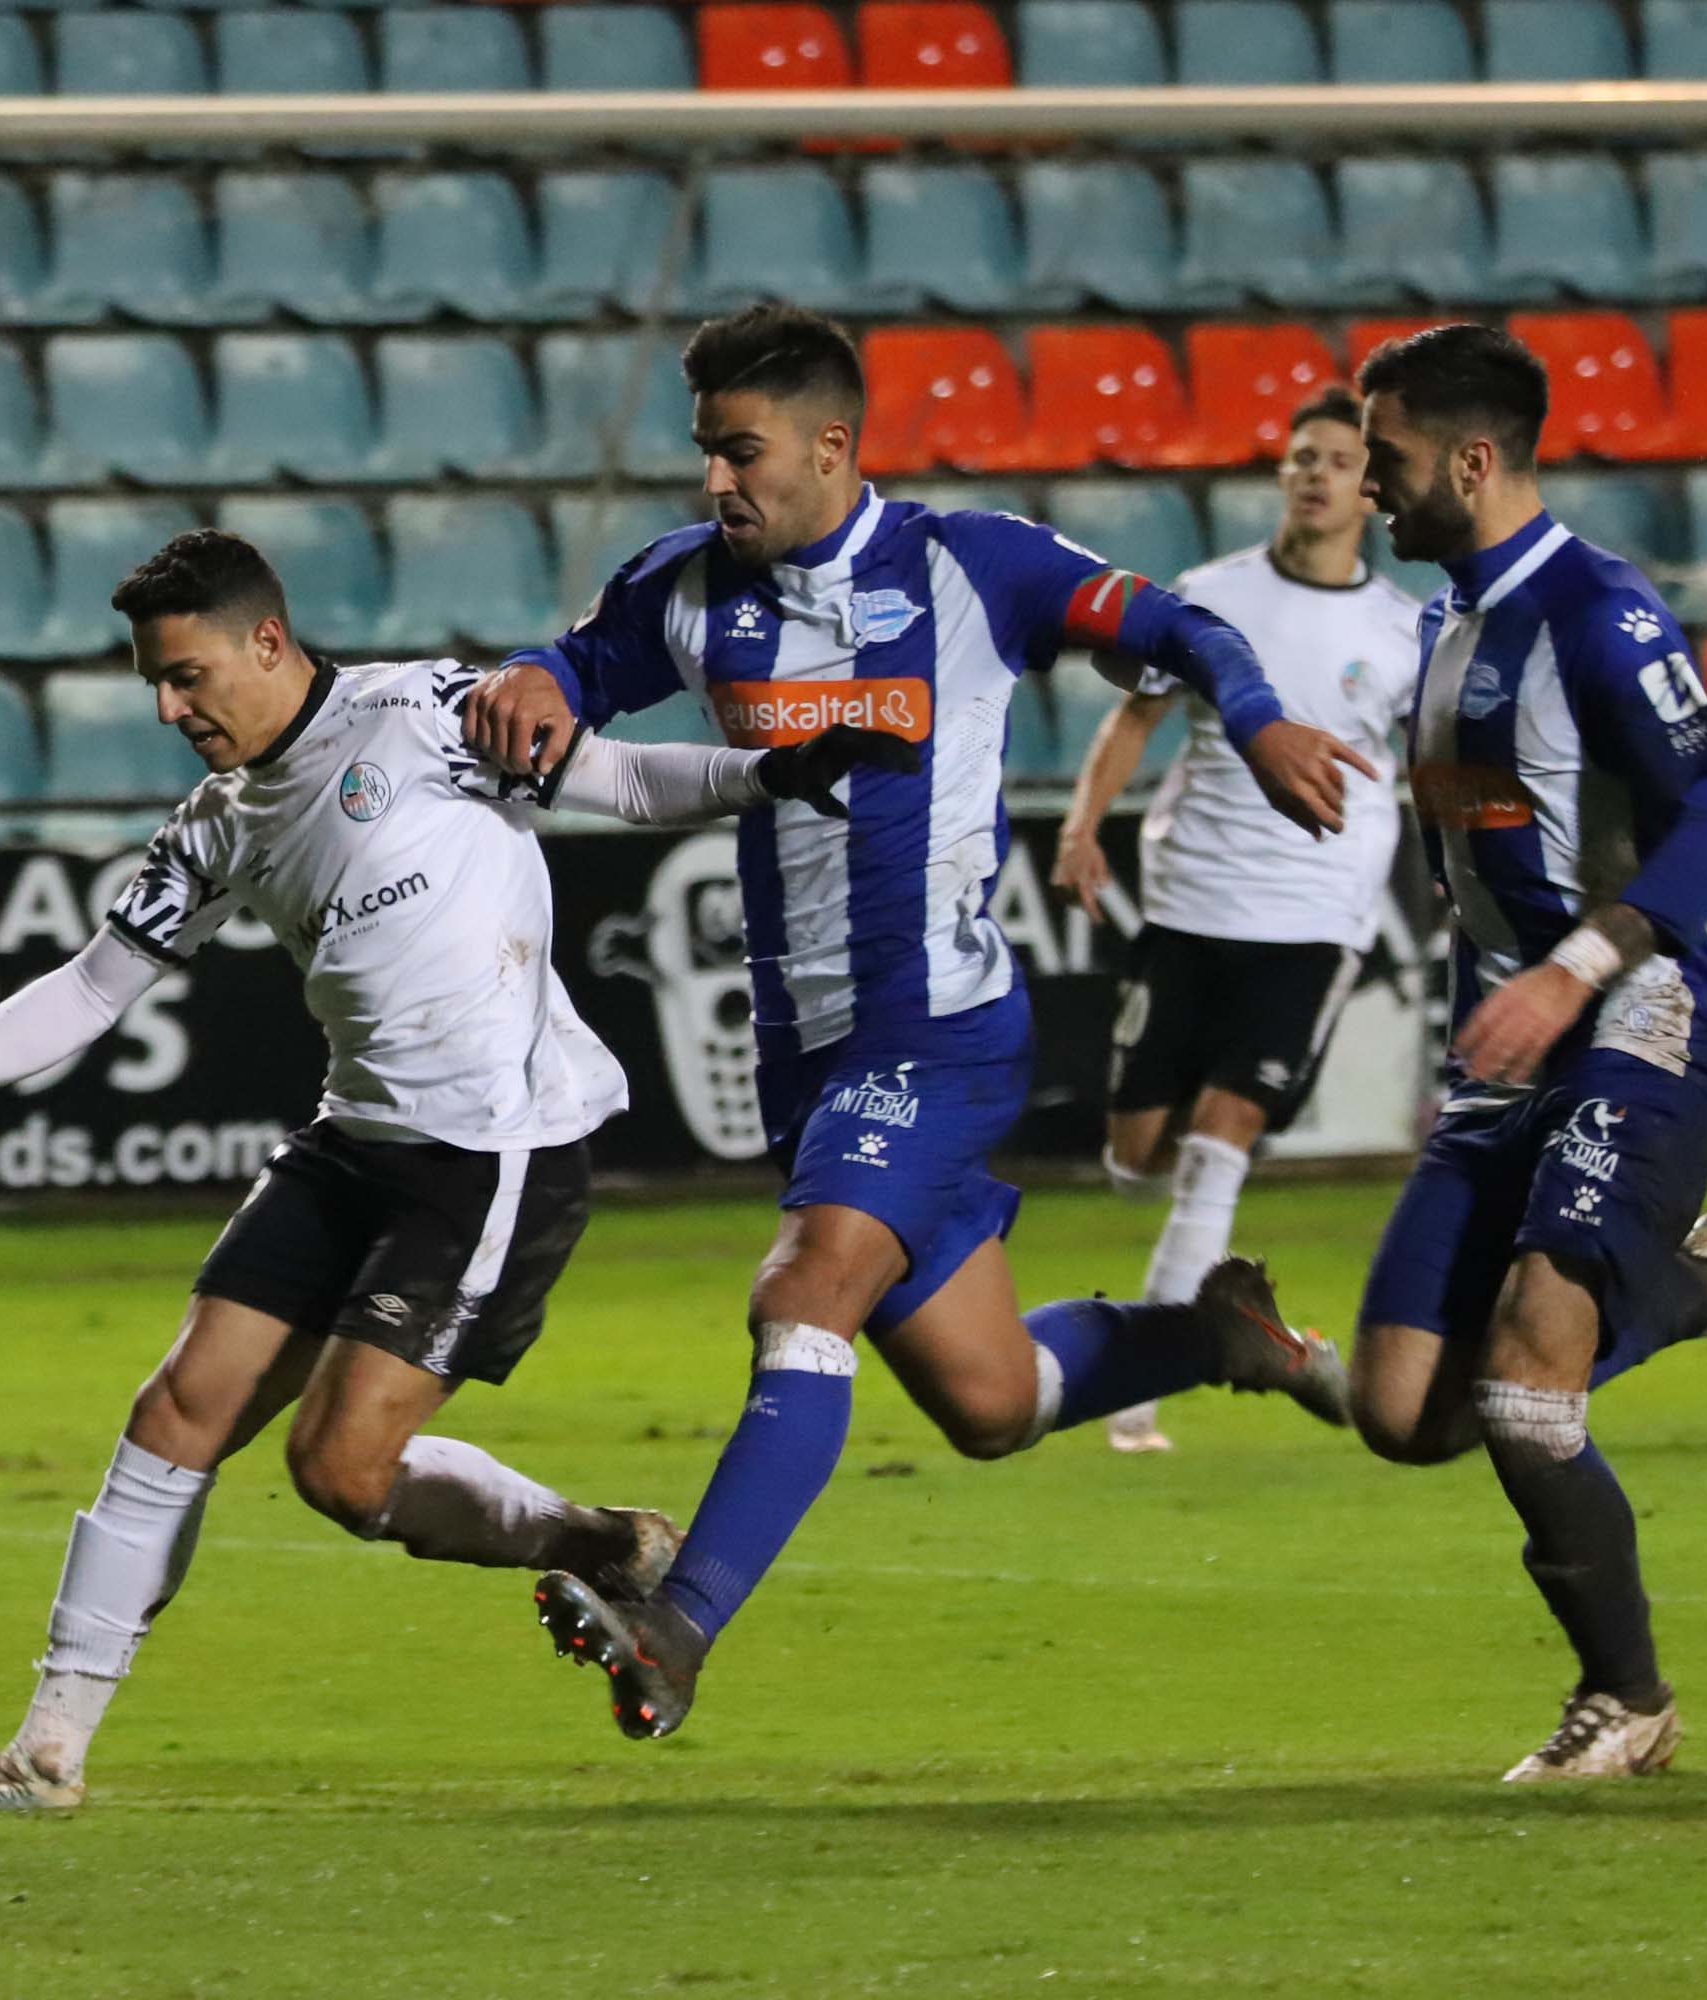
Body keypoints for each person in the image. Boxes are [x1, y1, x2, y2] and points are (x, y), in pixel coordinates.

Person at [0, 529, 914, 1813]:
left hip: (490, 1155)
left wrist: (780, 772)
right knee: (177, 1409)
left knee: (339, 1474)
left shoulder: (429, 717)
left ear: (266, 642)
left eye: (186, 676)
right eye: (155, 687)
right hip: (350, 1140)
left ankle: (602, 1543)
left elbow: (622, 778)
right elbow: (94, 986)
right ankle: (43, 1755)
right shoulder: (217, 823)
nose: (171, 709)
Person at [460, 303, 1379, 1742]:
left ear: (833, 445)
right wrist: (532, 676)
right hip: (810, 1054)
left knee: (802, 1290)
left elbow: (1177, 624)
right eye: (705, 453)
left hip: (939, 1029)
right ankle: (1212, 1334)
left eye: (740, 452)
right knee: (991, 1399)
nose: (716, 482)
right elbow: (576, 669)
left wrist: (1257, 718)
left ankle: (677, 1622)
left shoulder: (970, 564)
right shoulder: (693, 587)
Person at [1344, 325, 1707, 1783]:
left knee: (1533, 1370)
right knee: (1402, 1411)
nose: (1372, 484)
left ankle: (1630, 1702)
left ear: (1473, 461)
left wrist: (1576, 966)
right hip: (1507, 1048)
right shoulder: (1442, 627)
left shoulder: (1599, 615)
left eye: (1390, 457)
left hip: (1631, 1015)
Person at [1050, 383, 1424, 1455]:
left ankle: (1140, 1395)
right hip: (1191, 902)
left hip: (1314, 917)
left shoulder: (1401, 631)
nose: (1316, 473)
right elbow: (1137, 713)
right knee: (1137, 1158)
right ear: (1283, 473)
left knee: (1220, 1148)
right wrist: (1084, 827)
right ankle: (1227, 1325)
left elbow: (1428, 760)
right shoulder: (1210, 596)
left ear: (1370, 486)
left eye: (1339, 460)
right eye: (1301, 455)